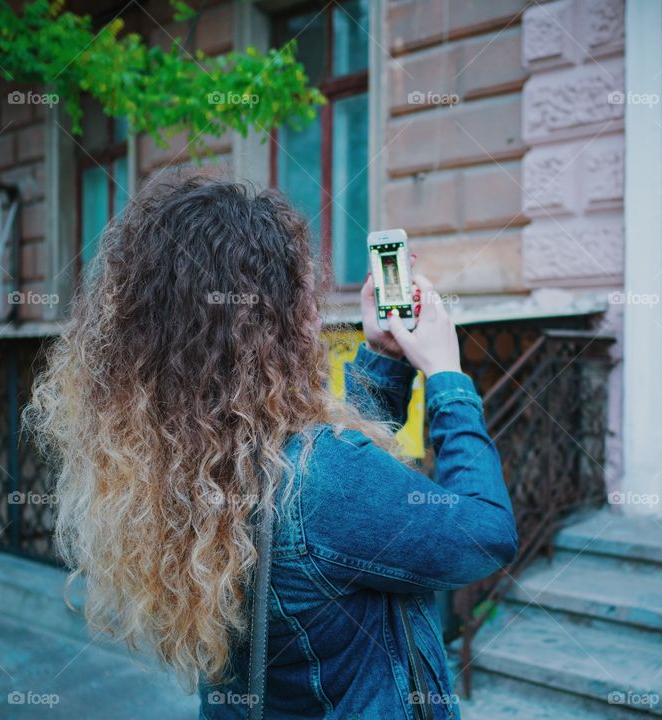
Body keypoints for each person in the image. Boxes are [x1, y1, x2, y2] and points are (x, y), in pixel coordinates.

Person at [27, 176, 518, 719]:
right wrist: (447, 375)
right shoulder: (318, 481)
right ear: (273, 323)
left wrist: (384, 356)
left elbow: (322, 484)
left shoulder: (187, 462)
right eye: (307, 297)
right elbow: (484, 533)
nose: (317, 318)